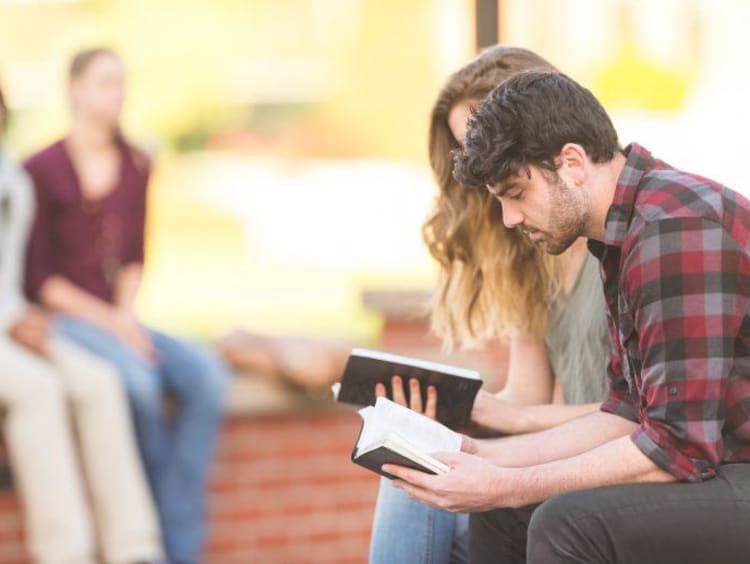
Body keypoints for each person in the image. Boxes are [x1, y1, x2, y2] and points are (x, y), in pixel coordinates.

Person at [387, 70, 750, 564]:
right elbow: (624, 413)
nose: (509, 219)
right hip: (723, 467)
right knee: (502, 510)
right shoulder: (622, 236)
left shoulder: (673, 228)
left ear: (572, 162)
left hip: (735, 470)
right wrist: (483, 457)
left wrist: (509, 484)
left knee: (563, 522)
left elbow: (676, 446)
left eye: (516, 194)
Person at [369, 46, 610, 564]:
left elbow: (646, 415)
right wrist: (450, 415)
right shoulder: (532, 251)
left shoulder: (610, 233)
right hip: (562, 454)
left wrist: (497, 427)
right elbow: (525, 395)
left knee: (435, 480)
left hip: (600, 465)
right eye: (465, 145)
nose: (480, 156)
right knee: (414, 468)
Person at [22, 48, 228, 563]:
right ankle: (155, 522)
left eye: (122, 82)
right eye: (105, 82)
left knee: (206, 376)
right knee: (137, 383)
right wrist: (117, 325)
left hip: (122, 317)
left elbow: (135, 255)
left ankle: (179, 526)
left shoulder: (137, 162)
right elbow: (40, 278)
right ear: (74, 89)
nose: (117, 93)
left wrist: (126, 318)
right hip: (66, 320)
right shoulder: (39, 169)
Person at [0, 81, 162, 563]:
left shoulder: (11, 173)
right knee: (37, 388)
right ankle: (66, 552)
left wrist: (19, 319)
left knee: (99, 381)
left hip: (9, 324)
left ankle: (135, 548)